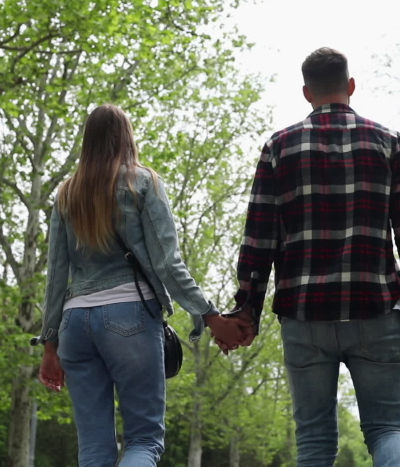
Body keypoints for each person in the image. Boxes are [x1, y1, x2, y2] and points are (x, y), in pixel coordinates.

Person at [227, 48, 400, 467]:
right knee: (388, 428)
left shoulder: (278, 147)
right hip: (376, 309)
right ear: (351, 87)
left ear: (307, 93)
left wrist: (246, 308)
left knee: (315, 441)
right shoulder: (388, 142)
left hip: (305, 316)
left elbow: (258, 238)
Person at [36, 104, 249, 467]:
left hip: (74, 325)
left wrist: (50, 347)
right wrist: (210, 315)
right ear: (126, 136)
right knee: (144, 440)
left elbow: (56, 275)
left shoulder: (66, 194)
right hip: (130, 317)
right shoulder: (142, 182)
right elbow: (167, 264)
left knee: (94, 449)